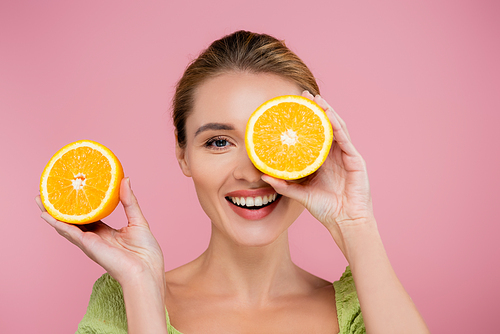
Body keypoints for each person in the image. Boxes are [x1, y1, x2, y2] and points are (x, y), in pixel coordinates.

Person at [36, 30, 429, 333]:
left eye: (272, 142)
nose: (250, 171)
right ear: (182, 154)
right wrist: (142, 289)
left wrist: (356, 224)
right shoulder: (123, 300)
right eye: (219, 141)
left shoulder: (369, 310)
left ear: (314, 147)